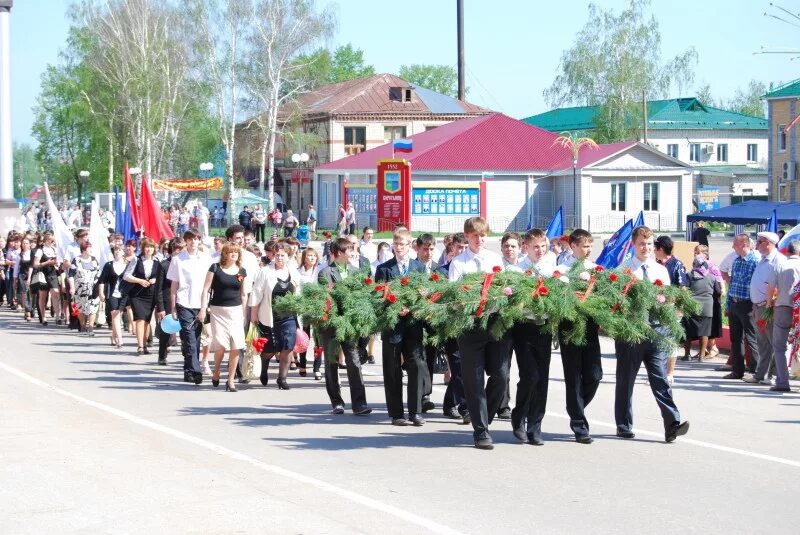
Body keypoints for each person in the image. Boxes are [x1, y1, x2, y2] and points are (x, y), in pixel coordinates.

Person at [616, 225, 690, 443]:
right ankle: (623, 425)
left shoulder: (660, 270)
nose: (645, 247)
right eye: (641, 243)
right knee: (625, 381)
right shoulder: (624, 270)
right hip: (632, 332)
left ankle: (672, 424)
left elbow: (667, 299)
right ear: (633, 245)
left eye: (649, 244)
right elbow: (618, 302)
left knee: (660, 379)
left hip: (657, 332)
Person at [448, 217, 510, 450]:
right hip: (470, 326)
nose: (479, 240)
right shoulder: (459, 264)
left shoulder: (495, 260)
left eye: (483, 235)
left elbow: (505, 287)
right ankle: (481, 431)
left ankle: (484, 417)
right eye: (474, 235)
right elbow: (455, 297)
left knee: (501, 376)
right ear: (466, 237)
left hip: (494, 324)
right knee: (474, 381)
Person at [375, 229, 427, 426]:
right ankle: (396, 413)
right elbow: (379, 296)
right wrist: (396, 307)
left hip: (413, 325)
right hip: (393, 325)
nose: (399, 248)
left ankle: (415, 412)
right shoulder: (384, 268)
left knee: (416, 366)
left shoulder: (418, 267)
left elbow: (423, 294)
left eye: (403, 244)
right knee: (392, 368)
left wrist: (412, 306)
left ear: (410, 245)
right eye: (396, 245)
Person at [555, 229, 603, 444]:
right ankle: (579, 425)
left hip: (590, 327)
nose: (588, 249)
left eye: (590, 246)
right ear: (573, 246)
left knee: (595, 375)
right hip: (569, 326)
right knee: (573, 376)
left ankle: (575, 406)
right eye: (584, 246)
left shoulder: (596, 270)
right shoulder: (562, 271)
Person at [511, 228, 556, 445]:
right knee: (530, 376)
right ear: (526, 247)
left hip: (544, 327)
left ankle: (535, 426)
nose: (540, 251)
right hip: (524, 327)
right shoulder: (517, 270)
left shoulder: (551, 270)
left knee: (542, 379)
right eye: (535, 247)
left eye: (543, 246)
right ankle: (519, 417)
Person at [317, 238, 371, 415]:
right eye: (349, 250)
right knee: (331, 362)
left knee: (354, 361)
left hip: (350, 324)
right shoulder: (325, 273)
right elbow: (326, 298)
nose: (353, 252)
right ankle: (336, 401)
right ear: (339, 253)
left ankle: (359, 403)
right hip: (332, 324)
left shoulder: (356, 272)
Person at [250, 242, 301, 390]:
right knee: (269, 350)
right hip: (269, 316)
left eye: (282, 255)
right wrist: (254, 315)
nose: (279, 257)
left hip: (289, 317)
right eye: (277, 255)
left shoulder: (293, 272)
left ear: (288, 256)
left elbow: (298, 294)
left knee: (288, 347)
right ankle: (264, 366)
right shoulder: (265, 272)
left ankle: (282, 378)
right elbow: (257, 293)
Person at [200, 243, 247, 392]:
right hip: (218, 310)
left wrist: (244, 314)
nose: (234, 254)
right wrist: (202, 309)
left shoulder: (242, 271)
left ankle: (230, 379)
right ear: (225, 254)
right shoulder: (215, 268)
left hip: (236, 311)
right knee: (220, 345)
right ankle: (217, 370)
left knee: (236, 345)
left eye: (236, 252)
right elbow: (206, 289)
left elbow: (244, 294)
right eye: (231, 252)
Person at [168, 229, 211, 385]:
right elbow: (174, 284)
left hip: (200, 303)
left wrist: (205, 306)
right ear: (185, 241)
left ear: (199, 240)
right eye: (190, 239)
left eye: (196, 239)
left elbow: (209, 284)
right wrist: (173, 307)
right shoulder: (178, 259)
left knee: (196, 338)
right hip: (184, 302)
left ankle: (188, 370)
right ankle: (196, 370)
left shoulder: (206, 259)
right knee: (189, 337)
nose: (193, 242)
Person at [744, 231, 786, 385]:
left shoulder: (778, 261)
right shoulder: (763, 259)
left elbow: (779, 286)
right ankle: (760, 374)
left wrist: (771, 305)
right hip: (759, 306)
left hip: (770, 307)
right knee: (762, 343)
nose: (757, 244)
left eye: (760, 241)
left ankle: (774, 375)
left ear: (769, 243)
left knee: (775, 342)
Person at [724, 234, 761, 380]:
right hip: (734, 302)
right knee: (735, 339)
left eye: (735, 244)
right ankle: (737, 371)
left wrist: (754, 305)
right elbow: (732, 284)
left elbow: (757, 285)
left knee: (751, 338)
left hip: (747, 305)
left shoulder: (755, 262)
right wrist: (728, 305)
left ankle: (756, 370)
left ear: (744, 244)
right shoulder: (737, 261)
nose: (733, 247)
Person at [654, 235, 689, 385]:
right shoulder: (655, 264)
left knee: (671, 342)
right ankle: (658, 372)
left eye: (654, 248)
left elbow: (683, 288)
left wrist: (677, 305)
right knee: (657, 342)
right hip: (656, 309)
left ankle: (670, 373)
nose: (653, 251)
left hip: (672, 309)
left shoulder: (677, 264)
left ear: (660, 249)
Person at [124, 237, 162, 355]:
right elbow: (126, 276)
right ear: (143, 248)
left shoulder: (157, 262)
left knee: (147, 321)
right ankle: (140, 346)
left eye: (151, 247)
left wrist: (155, 280)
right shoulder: (136, 260)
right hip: (137, 295)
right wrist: (139, 281)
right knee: (140, 319)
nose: (149, 249)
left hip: (150, 294)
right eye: (147, 247)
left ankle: (145, 345)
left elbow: (161, 277)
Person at [771, 240, 800, 392]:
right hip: (799, 311)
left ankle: (782, 382)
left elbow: (771, 287)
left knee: (779, 347)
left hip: (783, 308)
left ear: (787, 252)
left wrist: (770, 303)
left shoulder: (782, 265)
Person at [682, 256, 721, 362]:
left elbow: (684, 290)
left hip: (691, 307)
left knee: (687, 332)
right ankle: (701, 356)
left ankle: (687, 355)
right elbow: (718, 292)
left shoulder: (689, 276)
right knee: (704, 332)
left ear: (694, 265)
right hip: (706, 309)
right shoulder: (712, 278)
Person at [154, 238, 184, 365]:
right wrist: (160, 307)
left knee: (185, 330)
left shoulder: (186, 263)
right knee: (166, 329)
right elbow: (159, 288)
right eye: (176, 249)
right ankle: (162, 355)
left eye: (181, 249)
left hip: (183, 299)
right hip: (167, 300)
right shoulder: (164, 264)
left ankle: (186, 353)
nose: (178, 251)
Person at [694, 244, 725, 359]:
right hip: (702, 297)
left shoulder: (712, 266)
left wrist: (722, 292)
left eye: (698, 253)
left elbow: (720, 280)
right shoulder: (697, 266)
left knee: (711, 325)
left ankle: (713, 348)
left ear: (705, 254)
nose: (696, 255)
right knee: (703, 326)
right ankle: (704, 349)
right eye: (695, 253)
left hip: (712, 298)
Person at [297, 246, 323, 380]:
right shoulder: (297, 272)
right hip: (302, 309)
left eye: (314, 256)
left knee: (318, 339)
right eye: (309, 256)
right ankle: (302, 364)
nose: (311, 258)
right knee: (303, 337)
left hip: (317, 308)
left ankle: (317, 367)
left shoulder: (320, 271)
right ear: (304, 258)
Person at [68, 242, 101, 336]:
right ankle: (82, 325)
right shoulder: (76, 260)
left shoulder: (94, 260)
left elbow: (98, 273)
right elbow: (71, 275)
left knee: (93, 306)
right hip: (79, 289)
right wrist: (72, 287)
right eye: (89, 248)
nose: (91, 250)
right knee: (79, 307)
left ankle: (90, 327)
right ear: (83, 250)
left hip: (93, 288)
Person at [98, 245, 128, 348]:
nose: (117, 252)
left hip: (124, 294)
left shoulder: (127, 264)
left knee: (118, 315)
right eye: (115, 250)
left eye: (119, 250)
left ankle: (113, 336)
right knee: (115, 314)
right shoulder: (109, 265)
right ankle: (120, 340)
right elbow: (102, 280)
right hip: (112, 294)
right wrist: (101, 293)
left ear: (123, 252)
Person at [33, 232, 61, 327]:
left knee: (55, 292)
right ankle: (44, 317)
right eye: (50, 240)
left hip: (52, 273)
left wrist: (56, 264)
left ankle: (58, 316)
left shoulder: (54, 249)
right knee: (43, 296)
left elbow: (58, 262)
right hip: (43, 274)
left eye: (53, 240)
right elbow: (35, 264)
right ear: (45, 241)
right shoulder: (40, 251)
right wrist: (47, 262)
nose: (52, 242)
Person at [17, 236, 34, 321]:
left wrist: (30, 277)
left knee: (31, 294)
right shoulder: (20, 255)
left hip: (32, 275)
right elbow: (17, 267)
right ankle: (27, 312)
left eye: (26, 243)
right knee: (24, 293)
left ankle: (30, 309)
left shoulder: (33, 254)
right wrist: (15, 278)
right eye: (23, 243)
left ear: (30, 244)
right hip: (22, 275)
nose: (25, 245)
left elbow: (33, 266)